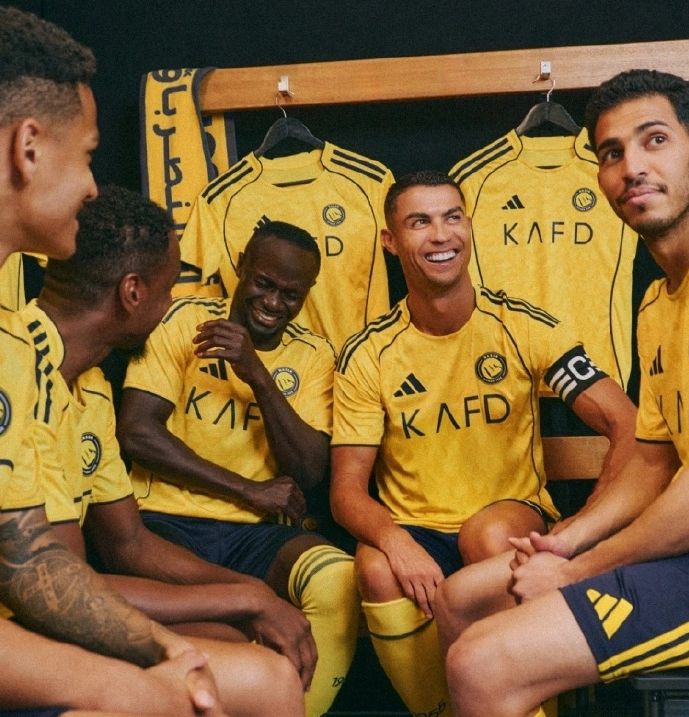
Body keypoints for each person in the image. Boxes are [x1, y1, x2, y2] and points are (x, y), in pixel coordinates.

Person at [329, 170, 637, 717]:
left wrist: (583, 525)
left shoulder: (520, 325)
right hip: (418, 530)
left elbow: (626, 422)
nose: (440, 234)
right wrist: (396, 541)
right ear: (391, 241)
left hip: (507, 519)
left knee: (487, 535)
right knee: (375, 565)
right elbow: (346, 491)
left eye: (452, 217)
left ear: (469, 226)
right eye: (419, 222)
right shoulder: (370, 354)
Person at [434, 68, 689, 717]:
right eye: (611, 153)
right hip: (678, 552)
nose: (632, 167)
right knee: (460, 597)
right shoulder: (657, 305)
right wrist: (567, 539)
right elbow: (652, 462)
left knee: (478, 661)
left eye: (655, 140)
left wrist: (577, 569)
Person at [0, 6, 226, 716]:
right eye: (89, 154)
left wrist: (161, 649)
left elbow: (27, 560)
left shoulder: (10, 331)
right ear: (28, 147)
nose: (94, 186)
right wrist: (134, 680)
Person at [22, 184, 313, 716]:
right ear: (132, 292)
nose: (174, 302)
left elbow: (130, 544)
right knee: (264, 676)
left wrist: (255, 595)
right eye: (171, 286)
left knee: (234, 638)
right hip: (24, 638)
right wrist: (248, 596)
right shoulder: (16, 368)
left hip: (55, 618)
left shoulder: (89, 384)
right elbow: (59, 591)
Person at [117, 219, 360, 717]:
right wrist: (248, 489)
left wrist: (257, 374)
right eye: (264, 283)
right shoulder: (184, 321)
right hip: (165, 523)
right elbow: (137, 432)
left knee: (338, 578)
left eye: (291, 295)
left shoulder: (314, 356)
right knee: (226, 634)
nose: (273, 302)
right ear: (241, 267)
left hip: (256, 536)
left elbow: (310, 471)